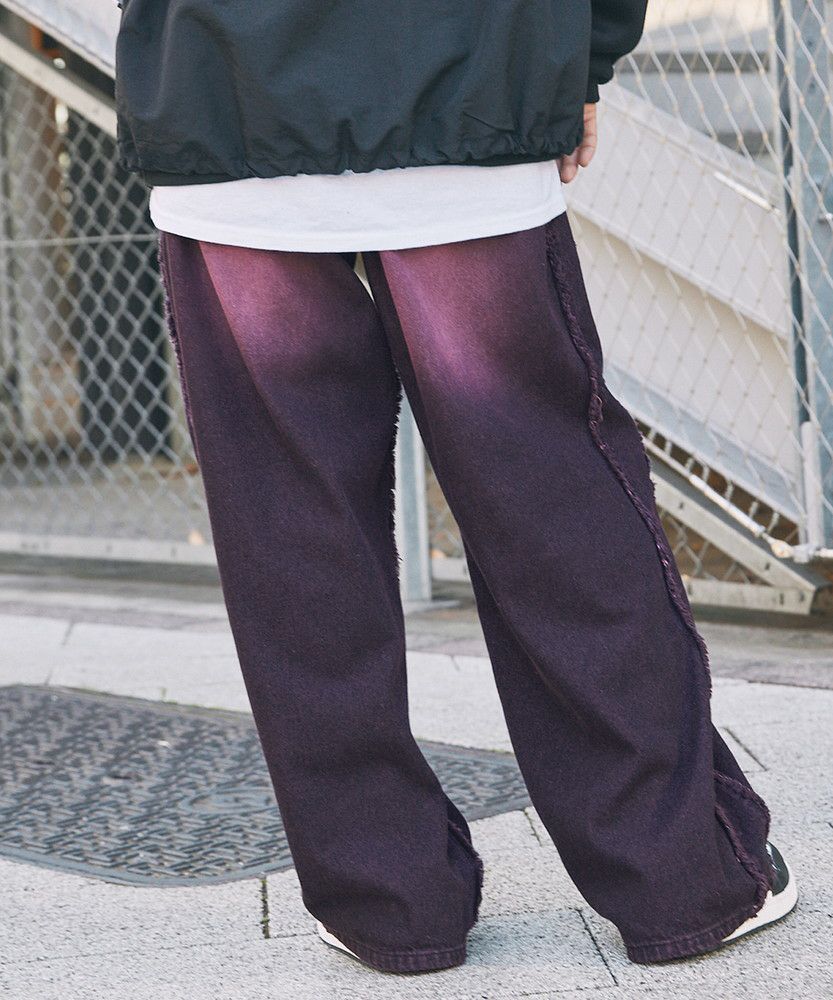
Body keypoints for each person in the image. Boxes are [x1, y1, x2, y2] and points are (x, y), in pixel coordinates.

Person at [113, 0, 797, 974]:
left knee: (293, 532)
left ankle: (384, 900)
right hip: (462, 77)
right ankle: (679, 873)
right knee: (552, 510)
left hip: (224, 94)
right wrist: (582, 55)